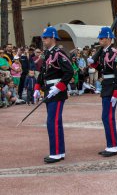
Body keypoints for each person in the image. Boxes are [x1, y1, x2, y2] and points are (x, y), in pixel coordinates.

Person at [33, 27, 74, 163]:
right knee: (56, 122)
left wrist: (59, 87)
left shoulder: (59, 53)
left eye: (45, 37)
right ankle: (59, 151)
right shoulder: (47, 53)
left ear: (52, 38)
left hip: (56, 91)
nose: (43, 40)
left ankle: (55, 153)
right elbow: (43, 72)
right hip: (49, 89)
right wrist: (37, 87)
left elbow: (69, 72)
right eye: (43, 38)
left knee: (52, 122)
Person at [87, 27, 117, 157]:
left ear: (109, 39)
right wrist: (93, 64)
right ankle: (110, 145)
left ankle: (113, 146)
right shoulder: (103, 53)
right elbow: (103, 69)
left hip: (112, 87)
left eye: (102, 38)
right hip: (106, 86)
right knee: (105, 117)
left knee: (108, 117)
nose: (100, 40)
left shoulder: (115, 53)